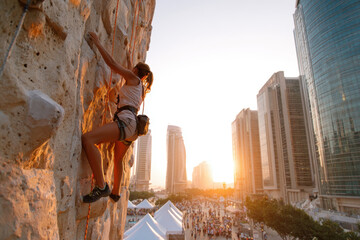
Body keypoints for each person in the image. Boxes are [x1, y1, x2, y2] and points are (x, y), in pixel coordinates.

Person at [81, 32, 153, 203]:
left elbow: (113, 64)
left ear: (136, 71)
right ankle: (115, 192)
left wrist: (98, 42)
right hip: (133, 128)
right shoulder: (141, 87)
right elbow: (129, 68)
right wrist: (129, 55)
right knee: (118, 158)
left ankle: (101, 186)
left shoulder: (132, 78)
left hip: (126, 122)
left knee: (88, 139)